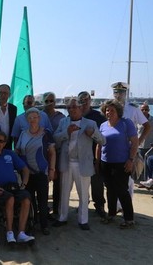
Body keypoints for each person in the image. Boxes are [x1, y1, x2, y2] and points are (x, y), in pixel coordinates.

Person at [53, 98, 105, 231]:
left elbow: (103, 141)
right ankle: (62, 217)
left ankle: (83, 220)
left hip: (83, 163)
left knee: (83, 193)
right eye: (69, 108)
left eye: (74, 107)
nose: (71, 110)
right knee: (64, 192)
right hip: (66, 162)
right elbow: (56, 139)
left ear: (80, 108)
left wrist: (92, 133)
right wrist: (67, 133)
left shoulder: (91, 123)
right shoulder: (63, 122)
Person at [0, 131, 35, 244]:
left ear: (4, 143)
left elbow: (25, 170)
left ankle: (21, 233)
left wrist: (23, 184)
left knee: (26, 198)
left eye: (0, 141)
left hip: (14, 187)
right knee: (10, 198)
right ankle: (9, 232)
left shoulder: (10, 154)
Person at [96, 99, 138, 229]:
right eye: (107, 110)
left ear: (118, 111)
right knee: (110, 190)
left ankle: (129, 219)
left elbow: (135, 143)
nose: (109, 112)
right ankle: (111, 214)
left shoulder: (126, 123)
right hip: (105, 162)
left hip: (121, 163)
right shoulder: (103, 125)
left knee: (122, 191)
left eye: (112, 110)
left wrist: (131, 160)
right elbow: (99, 144)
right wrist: (97, 162)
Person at [15, 107, 56, 235]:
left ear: (39, 118)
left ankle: (44, 225)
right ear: (27, 120)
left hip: (41, 172)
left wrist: (52, 170)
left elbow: (52, 153)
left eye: (35, 117)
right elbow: (17, 151)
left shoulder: (46, 133)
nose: (33, 120)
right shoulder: (23, 134)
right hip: (27, 173)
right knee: (30, 199)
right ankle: (32, 222)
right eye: (30, 118)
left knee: (43, 201)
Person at [111, 82, 150, 203]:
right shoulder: (109, 108)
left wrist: (139, 142)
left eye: (121, 92)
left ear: (125, 93)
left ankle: (125, 207)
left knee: (128, 180)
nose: (118, 95)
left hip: (128, 148)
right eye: (116, 92)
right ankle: (116, 206)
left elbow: (147, 126)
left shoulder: (133, 109)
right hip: (112, 148)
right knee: (113, 179)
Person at [78, 90, 107, 218]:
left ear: (90, 101)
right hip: (79, 157)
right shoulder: (75, 116)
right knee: (81, 184)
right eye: (81, 100)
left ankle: (99, 206)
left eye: (86, 100)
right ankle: (83, 205)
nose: (84, 102)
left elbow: (103, 138)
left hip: (95, 155)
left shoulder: (99, 116)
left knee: (97, 183)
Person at [41, 91, 65, 216]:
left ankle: (56, 209)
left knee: (58, 182)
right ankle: (44, 209)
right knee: (43, 182)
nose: (49, 103)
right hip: (43, 154)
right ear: (43, 102)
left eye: (52, 101)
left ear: (55, 102)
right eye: (46, 101)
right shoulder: (39, 115)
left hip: (58, 153)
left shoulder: (61, 117)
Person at [0, 84, 17, 150]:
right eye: (1, 93)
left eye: (5, 93)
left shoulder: (13, 109)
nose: (3, 95)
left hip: (8, 144)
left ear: (9, 94)